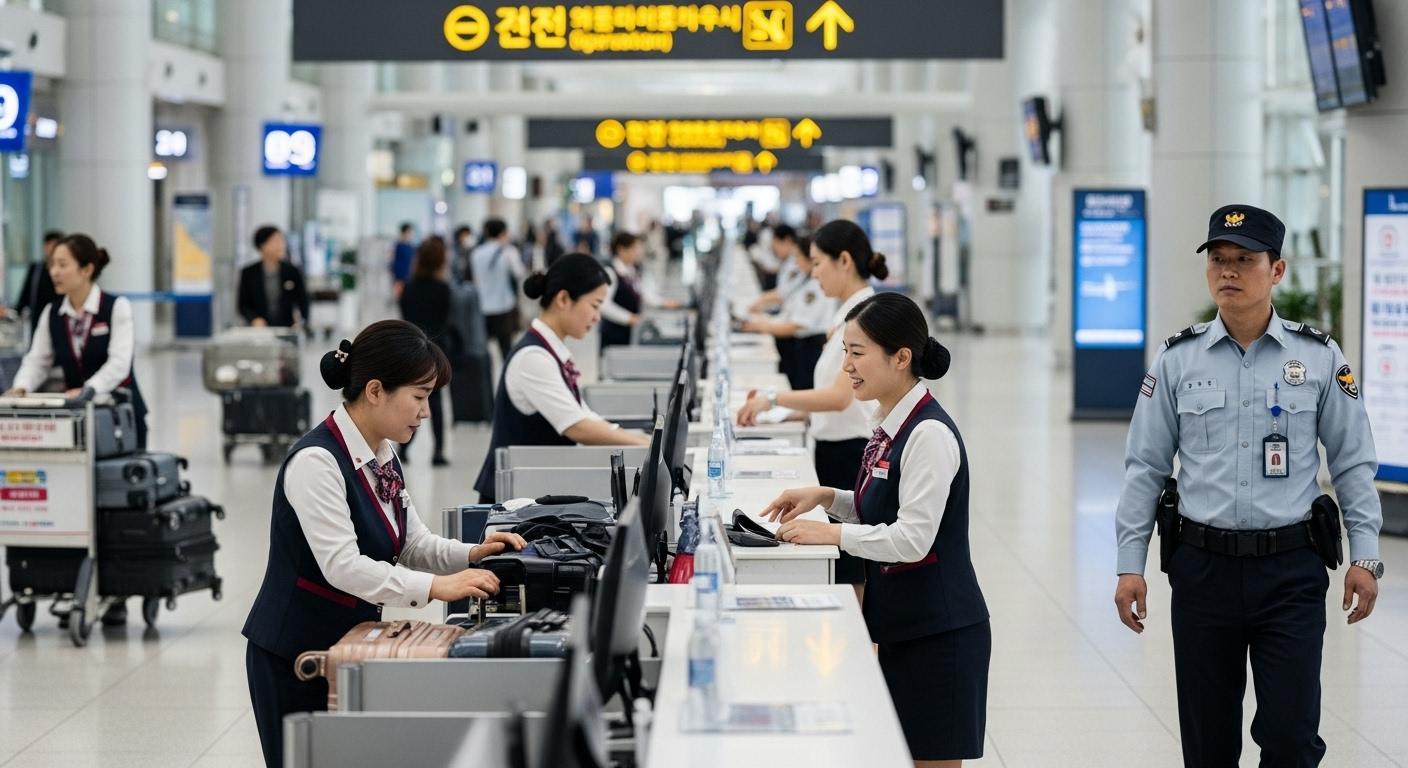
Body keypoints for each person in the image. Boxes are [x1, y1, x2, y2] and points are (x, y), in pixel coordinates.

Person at [1113, 204, 1383, 767]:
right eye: (1218, 260)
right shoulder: (1176, 360)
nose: (1229, 271)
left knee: (1290, 737)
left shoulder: (1318, 358)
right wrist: (1129, 563)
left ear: (1277, 270)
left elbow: (1354, 463)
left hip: (1290, 571)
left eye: (1244, 260)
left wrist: (1367, 555)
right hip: (1202, 570)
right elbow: (1145, 466)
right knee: (1208, 744)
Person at [242, 320, 526, 768]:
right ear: (375, 390)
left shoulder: (380, 453)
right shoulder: (317, 462)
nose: (426, 411)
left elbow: (411, 541)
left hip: (346, 646)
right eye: (418, 396)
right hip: (292, 653)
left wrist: (471, 554)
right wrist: (436, 587)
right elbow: (344, 567)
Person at [762, 293, 990, 767]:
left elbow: (912, 538)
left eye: (858, 352)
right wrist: (826, 497)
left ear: (901, 357)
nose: (846, 366)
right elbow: (880, 506)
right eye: (844, 351)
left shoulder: (928, 435)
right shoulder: (888, 421)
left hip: (940, 633)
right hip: (905, 625)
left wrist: (833, 534)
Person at [736, 219, 882, 591]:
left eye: (817, 263)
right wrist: (782, 413)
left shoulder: (863, 314)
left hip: (850, 450)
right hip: (836, 445)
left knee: (852, 570)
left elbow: (838, 396)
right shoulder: (845, 312)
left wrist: (773, 399)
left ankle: (861, 645)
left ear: (844, 261)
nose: (812, 272)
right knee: (846, 567)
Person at [473, 254, 651, 503]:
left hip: (528, 496)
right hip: (509, 506)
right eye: (595, 305)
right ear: (564, 299)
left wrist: (642, 440)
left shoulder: (551, 351)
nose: (598, 317)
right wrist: (648, 446)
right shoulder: (533, 358)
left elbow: (583, 414)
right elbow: (577, 426)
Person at [741, 234, 832, 389]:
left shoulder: (815, 287)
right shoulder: (805, 280)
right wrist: (765, 322)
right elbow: (789, 310)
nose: (795, 262)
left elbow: (797, 325)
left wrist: (762, 327)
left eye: (798, 257)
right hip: (801, 345)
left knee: (803, 390)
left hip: (810, 348)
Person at [399, 236, 453, 466]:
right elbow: (447, 321)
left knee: (413, 397)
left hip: (412, 350)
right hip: (437, 350)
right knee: (437, 401)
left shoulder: (408, 288)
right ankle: (438, 450)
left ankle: (404, 446)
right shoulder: (444, 290)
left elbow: (405, 317)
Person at [471, 218, 528, 363]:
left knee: (483, 348)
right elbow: (520, 273)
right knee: (506, 349)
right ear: (504, 232)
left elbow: (474, 279)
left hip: (482, 306)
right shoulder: (509, 252)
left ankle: (486, 380)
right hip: (504, 306)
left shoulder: (476, 253)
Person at [238, 225, 310, 328]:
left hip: (287, 329)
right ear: (262, 245)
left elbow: (303, 300)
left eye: (281, 241)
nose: (280, 245)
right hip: (259, 330)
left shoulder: (292, 271)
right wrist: (254, 319)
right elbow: (243, 305)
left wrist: (302, 322)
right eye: (275, 241)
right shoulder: (248, 272)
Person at [13, 230, 61, 335]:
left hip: (59, 318)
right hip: (37, 318)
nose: (51, 249)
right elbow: (25, 293)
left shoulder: (63, 272)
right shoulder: (36, 269)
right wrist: (14, 311)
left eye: (54, 245)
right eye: (48, 245)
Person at [390, 223, 416, 297]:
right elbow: (393, 261)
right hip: (399, 277)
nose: (410, 235)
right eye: (408, 232)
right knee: (400, 297)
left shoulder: (412, 247)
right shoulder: (398, 246)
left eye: (411, 233)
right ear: (403, 233)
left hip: (409, 277)